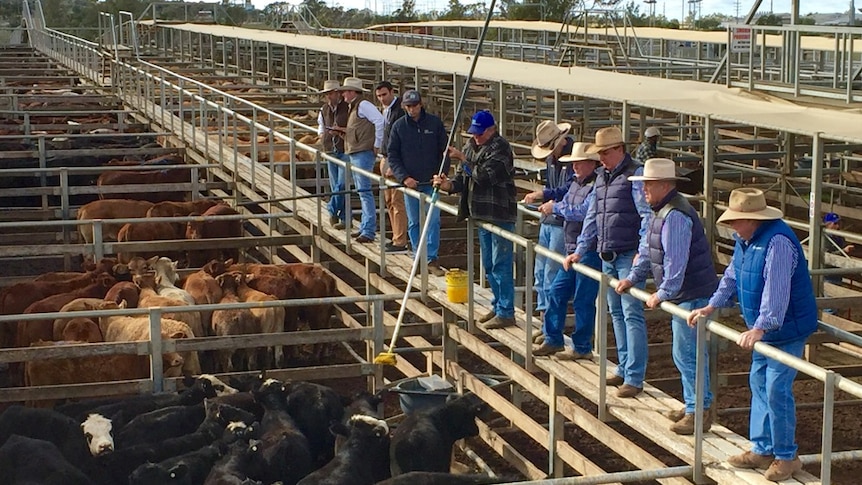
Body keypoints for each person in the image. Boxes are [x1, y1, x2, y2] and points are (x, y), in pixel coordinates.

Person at [687, 188, 816, 482]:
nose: (731, 226)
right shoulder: (746, 241)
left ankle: (787, 456)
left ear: (751, 219)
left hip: (787, 329)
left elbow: (777, 289)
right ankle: (762, 448)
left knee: (776, 388)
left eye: (735, 221)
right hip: (767, 331)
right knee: (758, 382)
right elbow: (733, 275)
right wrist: (712, 305)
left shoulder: (778, 243)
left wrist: (760, 326)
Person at [616, 158, 718, 434]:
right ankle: (694, 405)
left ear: (664, 185)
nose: (644, 190)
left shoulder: (674, 216)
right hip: (688, 292)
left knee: (687, 353)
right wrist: (634, 276)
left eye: (649, 185)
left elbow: (675, 263)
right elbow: (650, 252)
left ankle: (698, 410)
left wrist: (662, 293)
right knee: (685, 353)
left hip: (691, 294)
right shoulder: (662, 212)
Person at [566, 126, 652, 398]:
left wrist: (643, 249)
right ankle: (625, 368)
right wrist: (581, 248)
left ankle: (634, 375)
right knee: (617, 312)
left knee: (630, 313)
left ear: (619, 150)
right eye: (599, 153)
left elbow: (646, 215)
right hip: (608, 253)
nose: (601, 158)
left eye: (605, 152)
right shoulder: (603, 177)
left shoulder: (634, 175)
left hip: (626, 253)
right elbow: (592, 215)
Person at [433, 110, 517, 329]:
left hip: (499, 214)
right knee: (489, 265)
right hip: (480, 213)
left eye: (480, 134)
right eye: (474, 133)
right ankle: (498, 305)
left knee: (501, 264)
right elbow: (462, 178)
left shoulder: (501, 148)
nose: (476, 137)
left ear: (492, 130)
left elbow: (485, 177)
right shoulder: (471, 147)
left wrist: (463, 158)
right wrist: (448, 186)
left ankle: (507, 311)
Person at [533, 143, 601, 361]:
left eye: (579, 163)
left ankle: (581, 346)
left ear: (592, 163)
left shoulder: (596, 186)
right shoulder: (575, 183)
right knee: (557, 291)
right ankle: (553, 337)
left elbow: (584, 213)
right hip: (573, 248)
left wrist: (556, 208)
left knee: (582, 298)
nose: (575, 167)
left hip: (589, 250)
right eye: (574, 163)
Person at [386, 90, 449, 277]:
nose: (411, 109)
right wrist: (404, 177)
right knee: (414, 221)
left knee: (433, 220)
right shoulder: (398, 127)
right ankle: (418, 257)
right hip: (410, 183)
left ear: (421, 104)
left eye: (414, 105)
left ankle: (431, 258)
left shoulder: (434, 124)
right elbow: (393, 155)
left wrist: (442, 174)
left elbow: (444, 152)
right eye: (408, 106)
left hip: (432, 182)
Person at [523, 120, 575, 318]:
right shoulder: (553, 160)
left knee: (551, 272)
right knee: (542, 270)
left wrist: (545, 194)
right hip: (550, 220)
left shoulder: (571, 162)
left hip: (561, 222)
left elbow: (569, 189)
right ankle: (545, 316)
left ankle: (550, 321)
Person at [333, 77, 385, 244]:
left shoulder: (363, 105)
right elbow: (361, 128)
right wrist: (346, 133)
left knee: (364, 191)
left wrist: (377, 143)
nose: (343, 94)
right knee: (362, 190)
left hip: (362, 152)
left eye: (346, 91)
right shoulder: (355, 106)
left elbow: (380, 121)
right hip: (356, 151)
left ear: (353, 92)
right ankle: (365, 227)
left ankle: (368, 230)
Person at [375, 81, 409, 253]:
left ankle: (400, 240)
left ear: (392, 92)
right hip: (385, 157)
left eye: (384, 95)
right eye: (379, 96)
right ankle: (396, 236)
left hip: (393, 159)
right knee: (389, 200)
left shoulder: (399, 111)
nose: (382, 99)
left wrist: (395, 165)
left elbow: (402, 140)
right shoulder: (387, 110)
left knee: (397, 200)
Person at [316, 79, 350, 229]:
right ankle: (343, 218)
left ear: (338, 93)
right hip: (330, 148)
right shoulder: (324, 109)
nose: (329, 96)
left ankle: (331, 209)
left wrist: (340, 130)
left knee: (341, 184)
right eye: (327, 94)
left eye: (331, 93)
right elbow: (320, 126)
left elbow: (353, 127)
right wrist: (323, 135)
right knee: (336, 184)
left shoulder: (348, 108)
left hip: (345, 148)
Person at [822, 212, 854, 285]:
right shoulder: (823, 238)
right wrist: (844, 251)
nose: (837, 226)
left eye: (838, 223)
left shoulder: (839, 236)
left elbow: (843, 246)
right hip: (827, 273)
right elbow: (827, 256)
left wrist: (846, 250)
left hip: (837, 271)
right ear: (828, 224)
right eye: (835, 223)